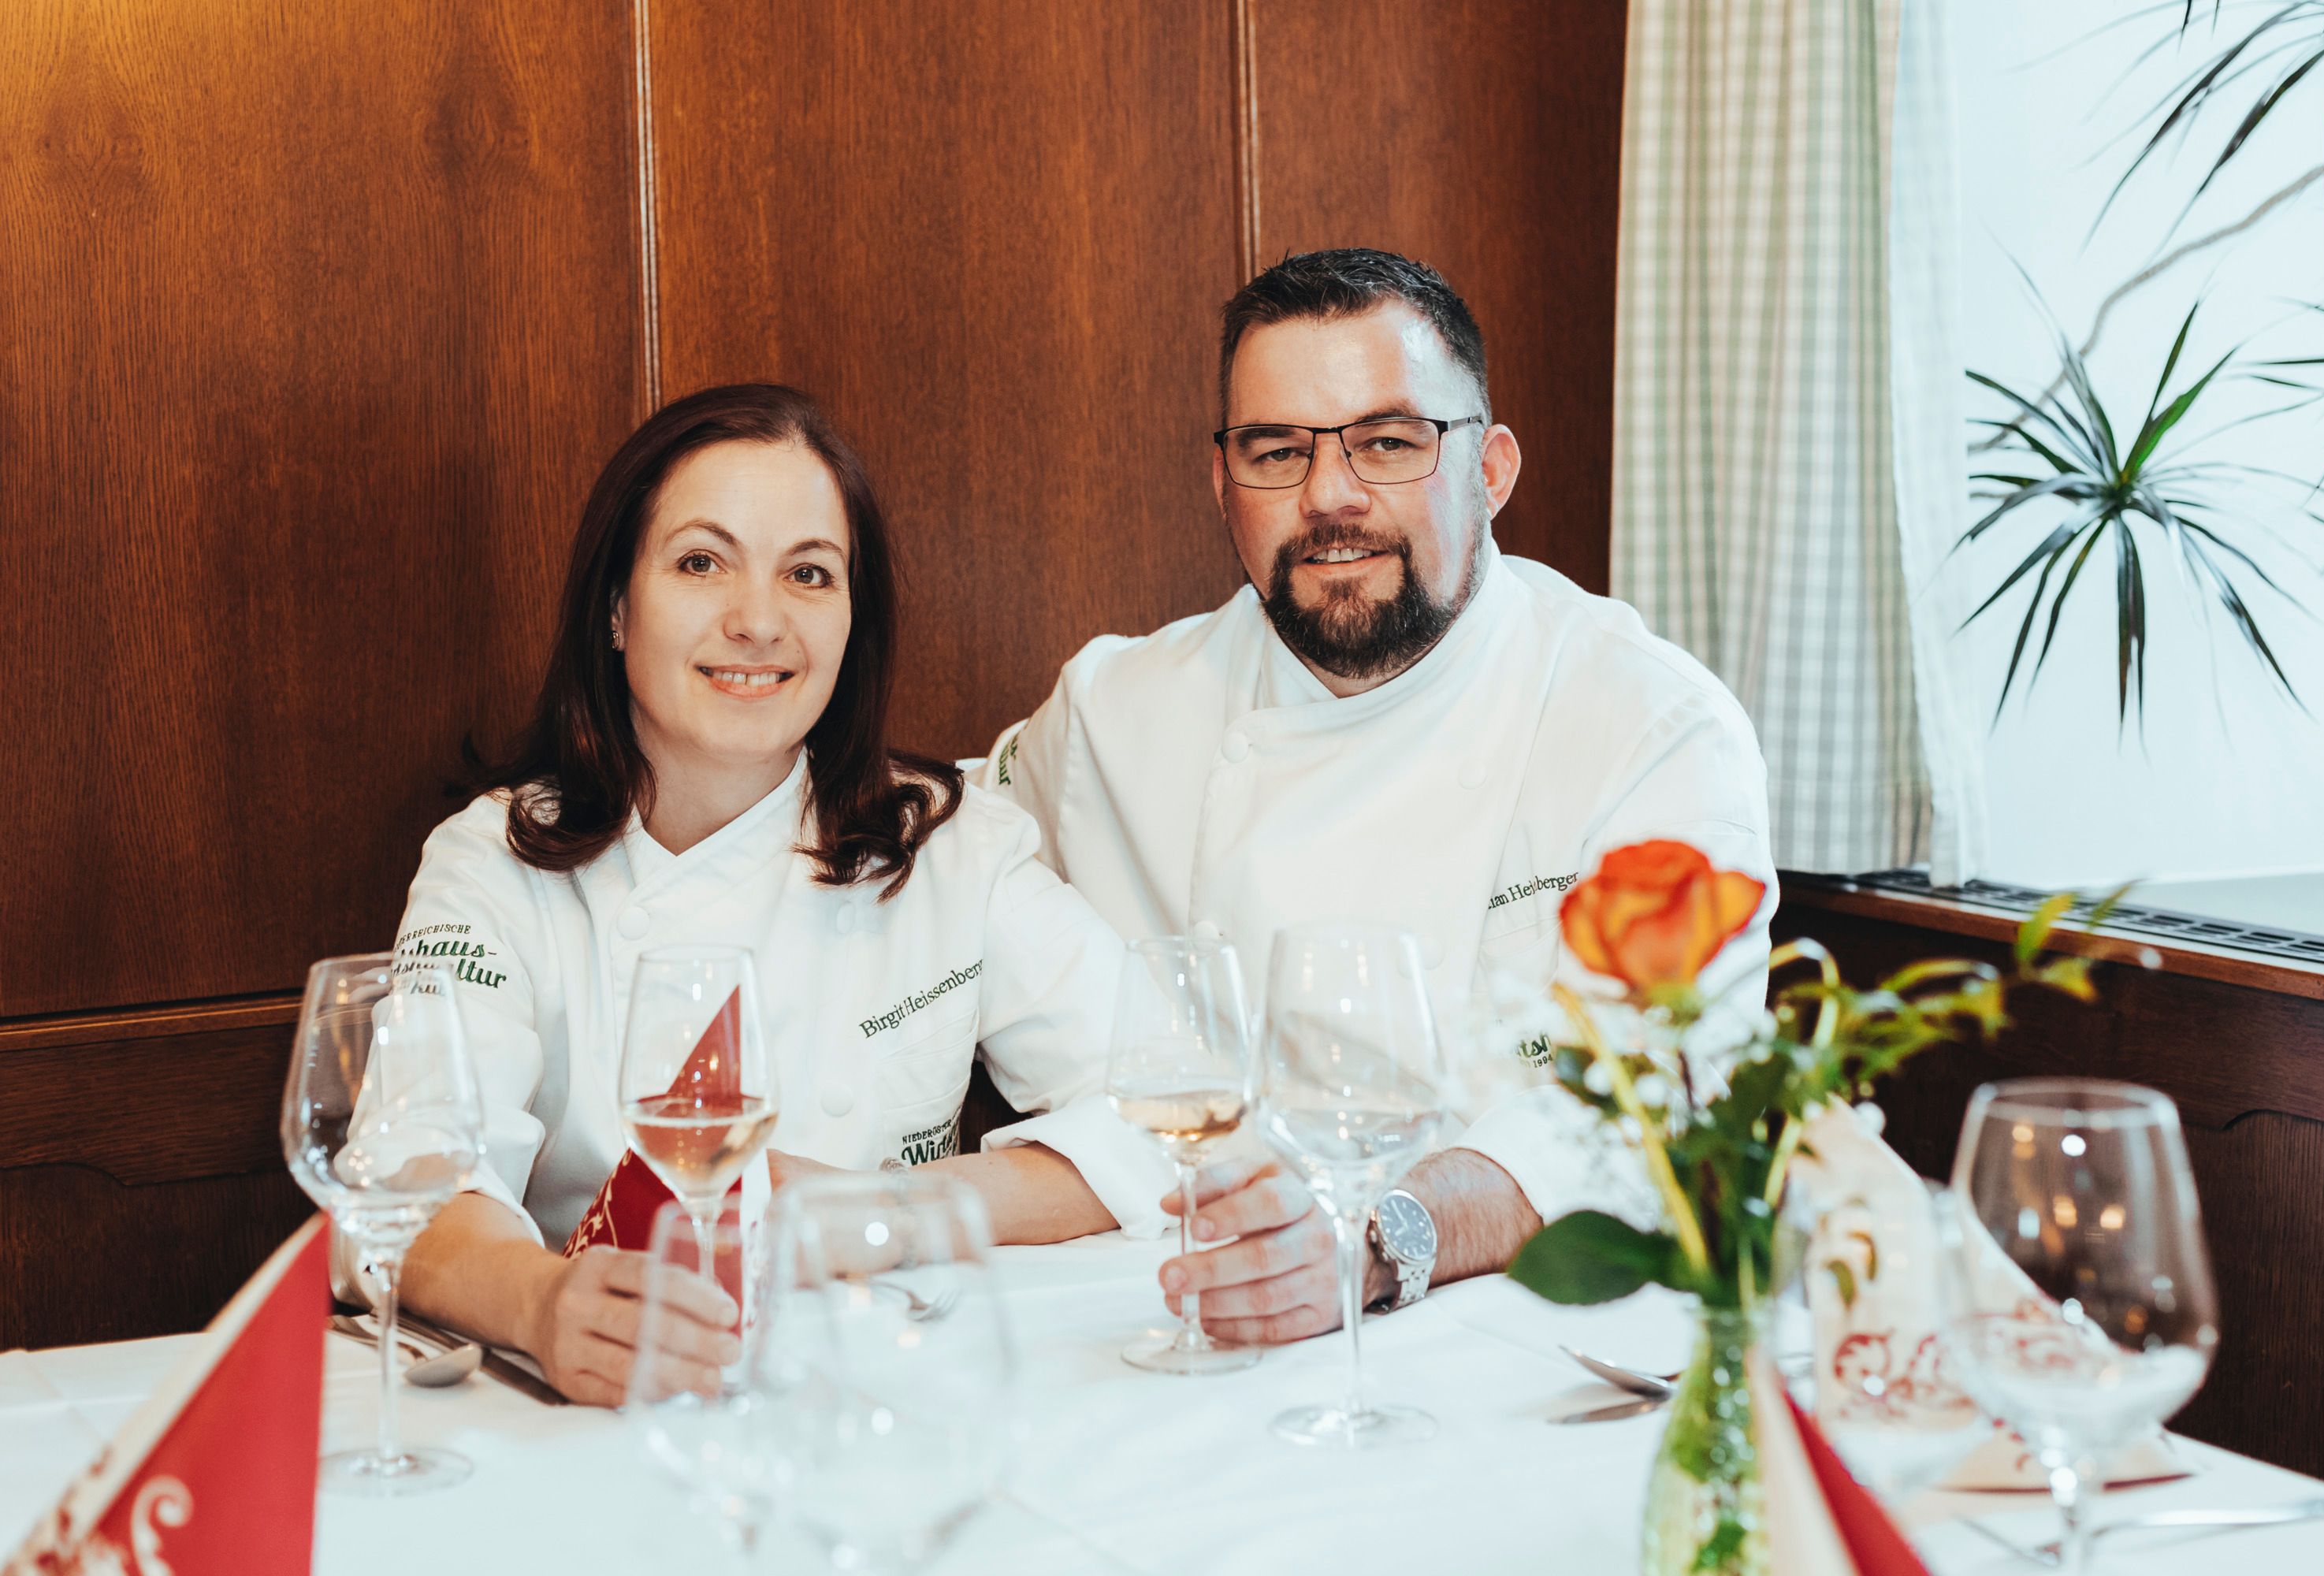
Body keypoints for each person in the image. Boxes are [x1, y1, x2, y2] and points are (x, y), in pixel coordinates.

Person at [976, 249, 1776, 1344]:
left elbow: (1654, 1109)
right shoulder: (1114, 711)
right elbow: (952, 867)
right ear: (1222, 485)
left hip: (1535, 1336)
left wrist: (1378, 1240)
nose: (1330, 496)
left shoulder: (1646, 724)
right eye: (1277, 452)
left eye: (1390, 442)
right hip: (1192, 1309)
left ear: (1491, 469)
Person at [393, 383, 1162, 1405]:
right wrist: (540, 1304)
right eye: (701, 563)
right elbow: (406, 1184)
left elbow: (1178, 1104)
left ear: (851, 623)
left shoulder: (947, 843)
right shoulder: (494, 864)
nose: (759, 622)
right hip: (620, 1400)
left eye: (808, 573)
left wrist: (882, 1211)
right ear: (616, 608)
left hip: (896, 1391)